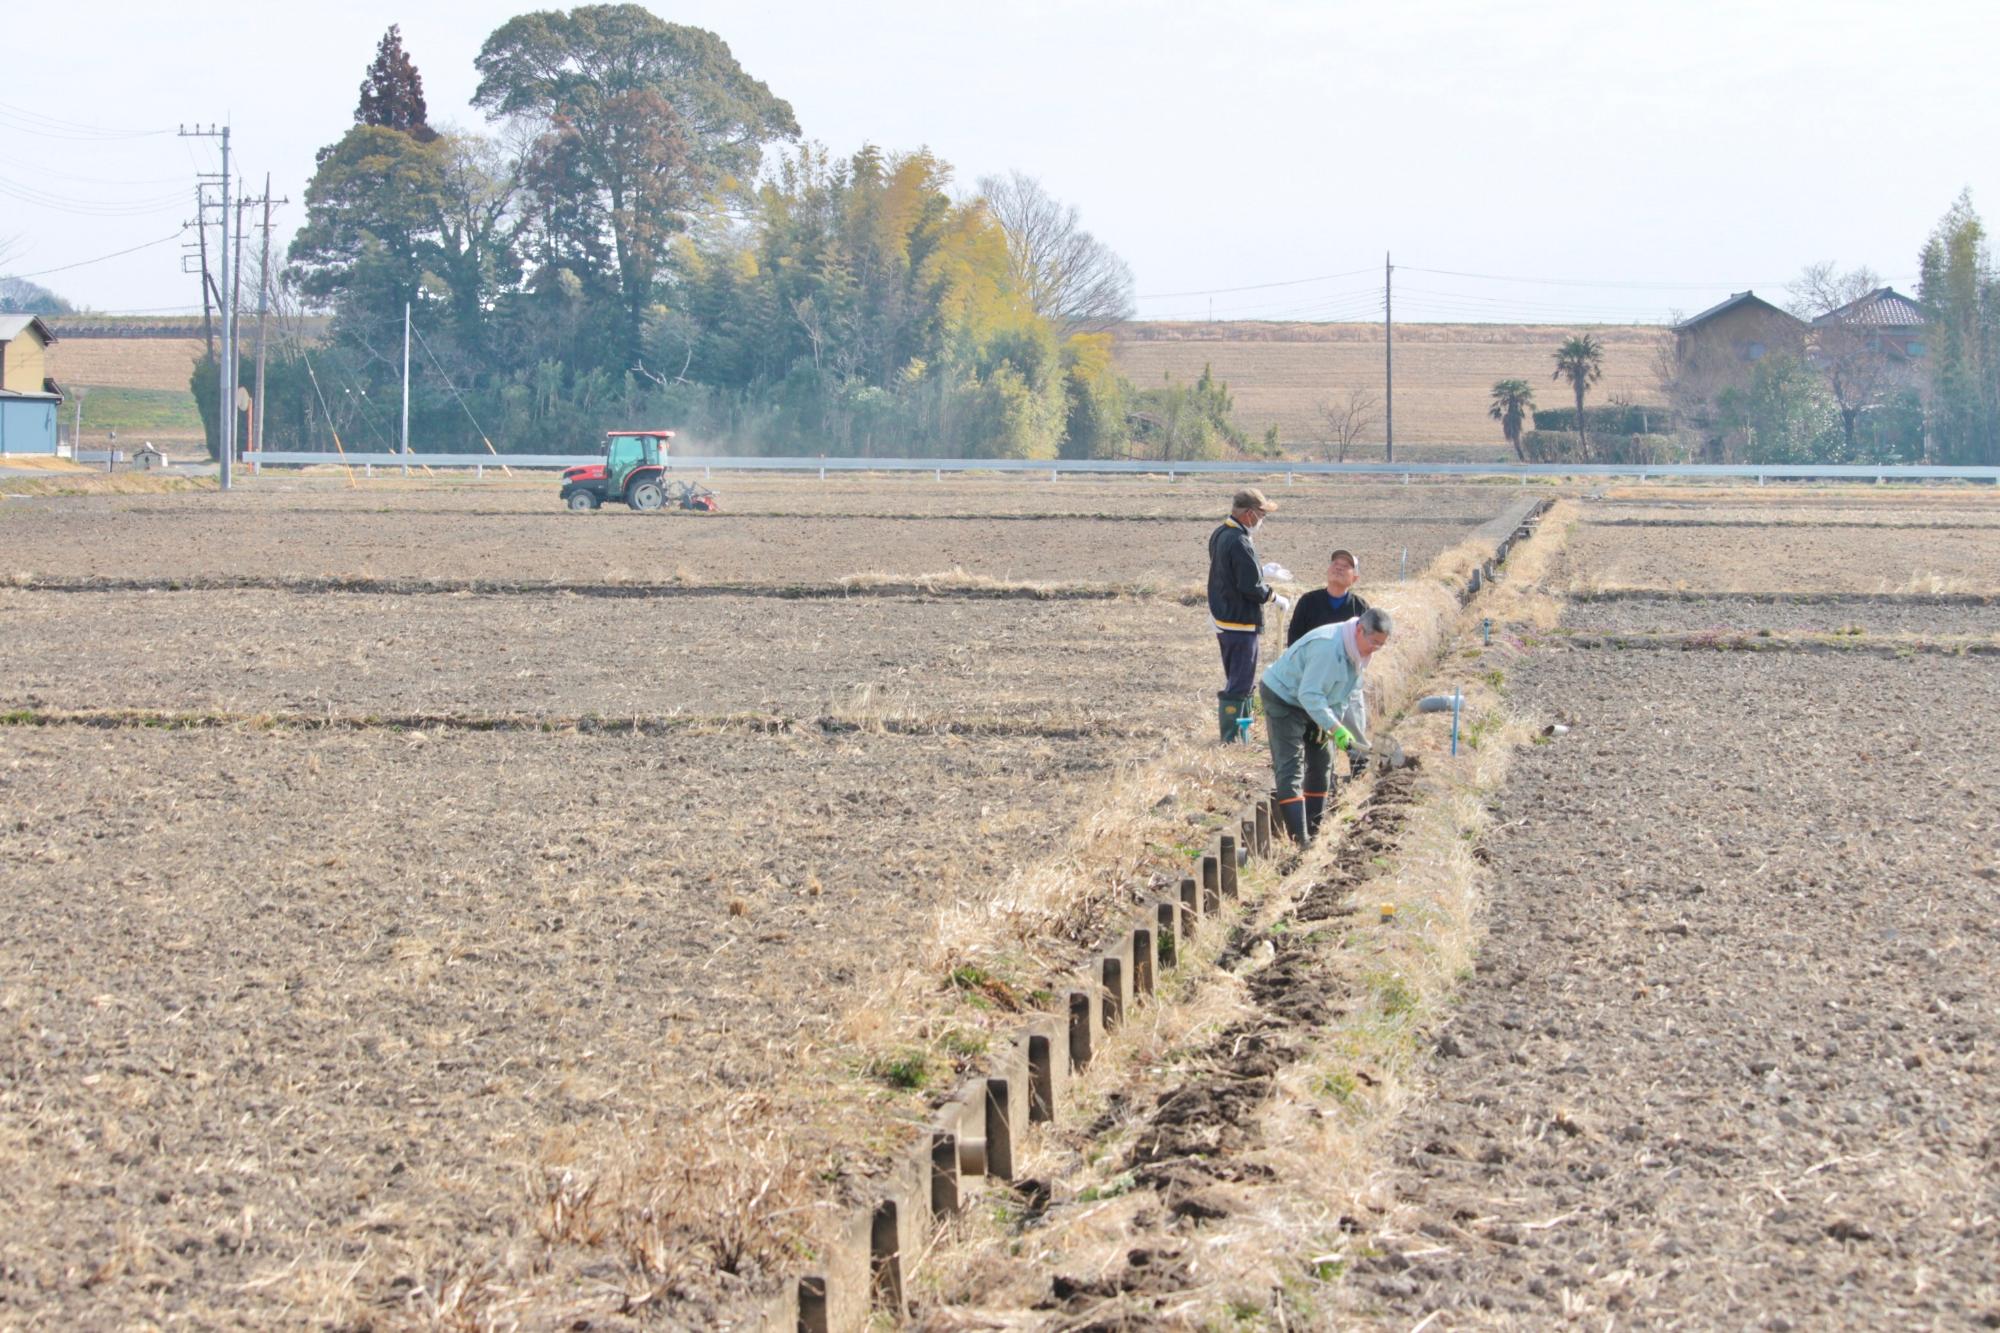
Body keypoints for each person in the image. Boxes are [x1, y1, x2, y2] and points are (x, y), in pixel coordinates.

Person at [1258, 606, 1393, 844]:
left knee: (1323, 763)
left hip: (1314, 701)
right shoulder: (1329, 647)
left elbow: (1341, 695)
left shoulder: (1358, 653)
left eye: (1381, 645)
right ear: (1360, 630)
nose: (1376, 649)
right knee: (1291, 766)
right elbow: (1309, 694)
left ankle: (1315, 831)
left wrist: (1332, 724)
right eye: (1374, 642)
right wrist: (1335, 728)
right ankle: (1301, 842)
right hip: (1284, 697)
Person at [1206, 488, 1289, 742]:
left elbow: (1231, 573)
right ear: (1249, 513)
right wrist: (1274, 597)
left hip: (1224, 617)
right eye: (1261, 514)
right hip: (1239, 621)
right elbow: (1249, 587)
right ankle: (1232, 738)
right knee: (1241, 682)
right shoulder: (1240, 541)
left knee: (1237, 678)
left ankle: (1242, 732)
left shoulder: (1221, 533)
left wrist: (1260, 570)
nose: (1262, 520)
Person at [1286, 548, 1372, 782]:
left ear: (1355, 578)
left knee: (1353, 724)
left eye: (1346, 565)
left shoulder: (1360, 607)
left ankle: (1359, 770)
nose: (1339, 567)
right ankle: (1323, 776)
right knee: (1317, 728)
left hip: (1346, 679)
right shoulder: (1308, 602)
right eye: (1335, 562)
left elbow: (1367, 644)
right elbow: (1294, 641)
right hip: (1314, 677)